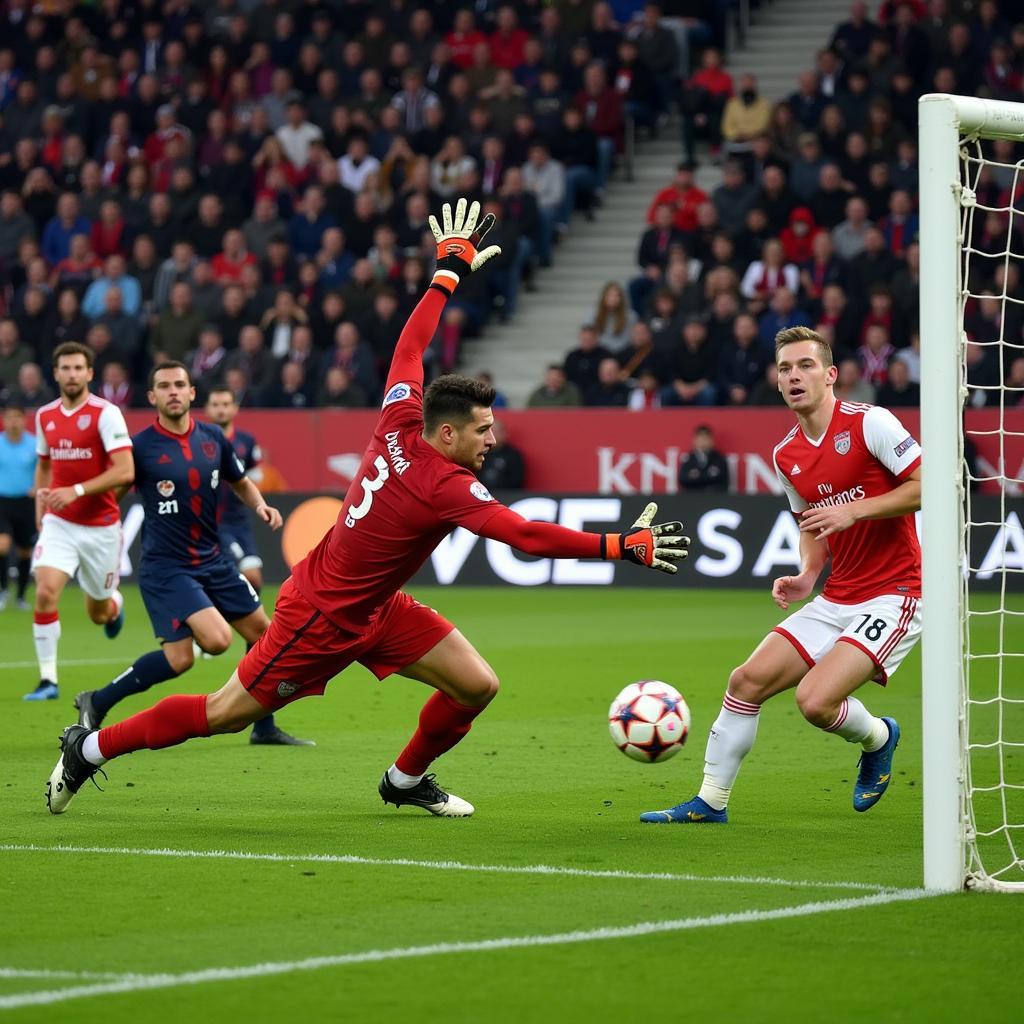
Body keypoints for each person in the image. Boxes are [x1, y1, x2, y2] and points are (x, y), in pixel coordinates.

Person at [47, 200, 690, 817]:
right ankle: (90, 748)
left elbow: (408, 350)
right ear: (447, 434)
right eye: (483, 430)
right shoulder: (446, 485)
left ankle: (404, 780)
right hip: (320, 616)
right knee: (224, 713)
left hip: (376, 607)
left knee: (476, 686)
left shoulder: (400, 417)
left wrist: (445, 275)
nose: (492, 439)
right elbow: (525, 535)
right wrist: (618, 546)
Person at [642, 326, 920, 825]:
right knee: (745, 681)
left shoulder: (871, 422)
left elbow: (929, 485)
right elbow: (811, 522)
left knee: (814, 701)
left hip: (895, 593)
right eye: (786, 369)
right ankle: (710, 803)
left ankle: (879, 737)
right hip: (838, 595)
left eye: (806, 365)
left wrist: (857, 512)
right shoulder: (786, 454)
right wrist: (808, 572)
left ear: (831, 375)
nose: (795, 376)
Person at [71, 363, 312, 747]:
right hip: (167, 568)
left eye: (179, 384)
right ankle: (97, 701)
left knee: (263, 634)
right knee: (211, 644)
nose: (173, 391)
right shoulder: (141, 447)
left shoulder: (213, 438)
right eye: (164, 386)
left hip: (212, 560)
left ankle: (263, 727)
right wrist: (91, 528)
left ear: (191, 393)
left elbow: (240, 481)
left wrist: (261, 506)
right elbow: (112, 495)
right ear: (152, 397)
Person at [204, 386, 312, 746]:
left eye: (225, 403)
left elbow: (247, 479)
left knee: (254, 580)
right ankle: (212, 620)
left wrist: (260, 503)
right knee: (249, 580)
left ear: (234, 407)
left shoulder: (246, 441)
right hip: (212, 526)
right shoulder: (202, 440)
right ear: (209, 407)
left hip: (238, 522)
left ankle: (227, 622)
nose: (220, 408)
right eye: (215, 403)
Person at [26, 343, 134, 701]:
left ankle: (113, 605)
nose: (71, 374)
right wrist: (42, 499)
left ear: (90, 373)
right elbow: (44, 462)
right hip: (60, 523)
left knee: (98, 613)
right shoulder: (45, 416)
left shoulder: (106, 414)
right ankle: (47, 680)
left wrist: (76, 489)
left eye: (78, 368)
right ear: (55, 373)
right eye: (65, 368)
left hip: (101, 527)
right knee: (44, 592)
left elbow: (125, 470)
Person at [0, 400, 36, 611]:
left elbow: (46, 471)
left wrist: (37, 488)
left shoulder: (34, 444)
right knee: (2, 544)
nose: (13, 422)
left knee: (25, 551)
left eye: (17, 417)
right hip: (2, 501)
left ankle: (21, 596)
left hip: (26, 502)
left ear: (24, 420)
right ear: (4, 420)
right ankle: (3, 590)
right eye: (9, 417)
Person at [476, 419, 525, 491]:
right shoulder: (480, 453)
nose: (491, 435)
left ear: (504, 434)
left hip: (506, 496)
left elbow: (516, 481)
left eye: (494, 431)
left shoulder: (513, 455)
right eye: (488, 432)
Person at [678, 425, 729, 491]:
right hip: (691, 498)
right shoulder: (688, 459)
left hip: (714, 498)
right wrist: (708, 476)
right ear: (694, 440)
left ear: (712, 440)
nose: (703, 442)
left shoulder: (719, 459)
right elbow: (683, 479)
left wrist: (697, 476)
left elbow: (721, 481)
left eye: (706, 438)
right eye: (700, 439)